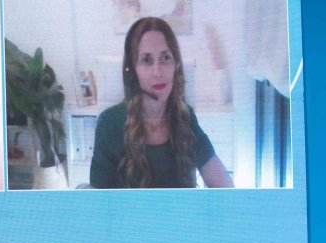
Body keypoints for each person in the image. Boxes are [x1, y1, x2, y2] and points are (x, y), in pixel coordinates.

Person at [90, 17, 233, 189]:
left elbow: (224, 186)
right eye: (146, 60)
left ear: (176, 65)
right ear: (132, 70)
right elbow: (99, 203)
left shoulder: (185, 118)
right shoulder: (109, 123)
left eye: (165, 58)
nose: (158, 72)